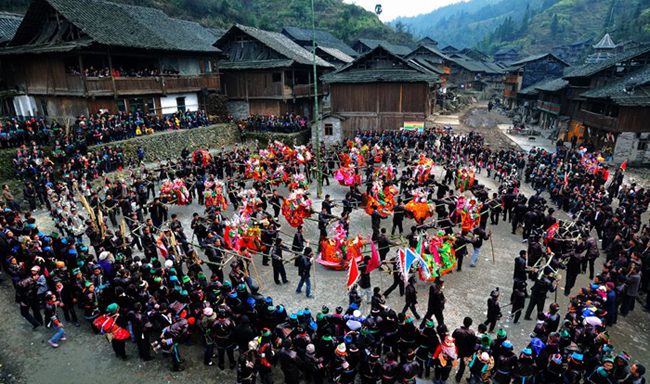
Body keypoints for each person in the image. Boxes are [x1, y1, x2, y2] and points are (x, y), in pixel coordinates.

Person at [453, 317, 476, 383]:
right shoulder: (472, 333)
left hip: (456, 350)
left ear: (463, 322)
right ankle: (458, 378)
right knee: (462, 366)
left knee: (451, 360)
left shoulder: (457, 331)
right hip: (465, 352)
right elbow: (472, 344)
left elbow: (453, 338)